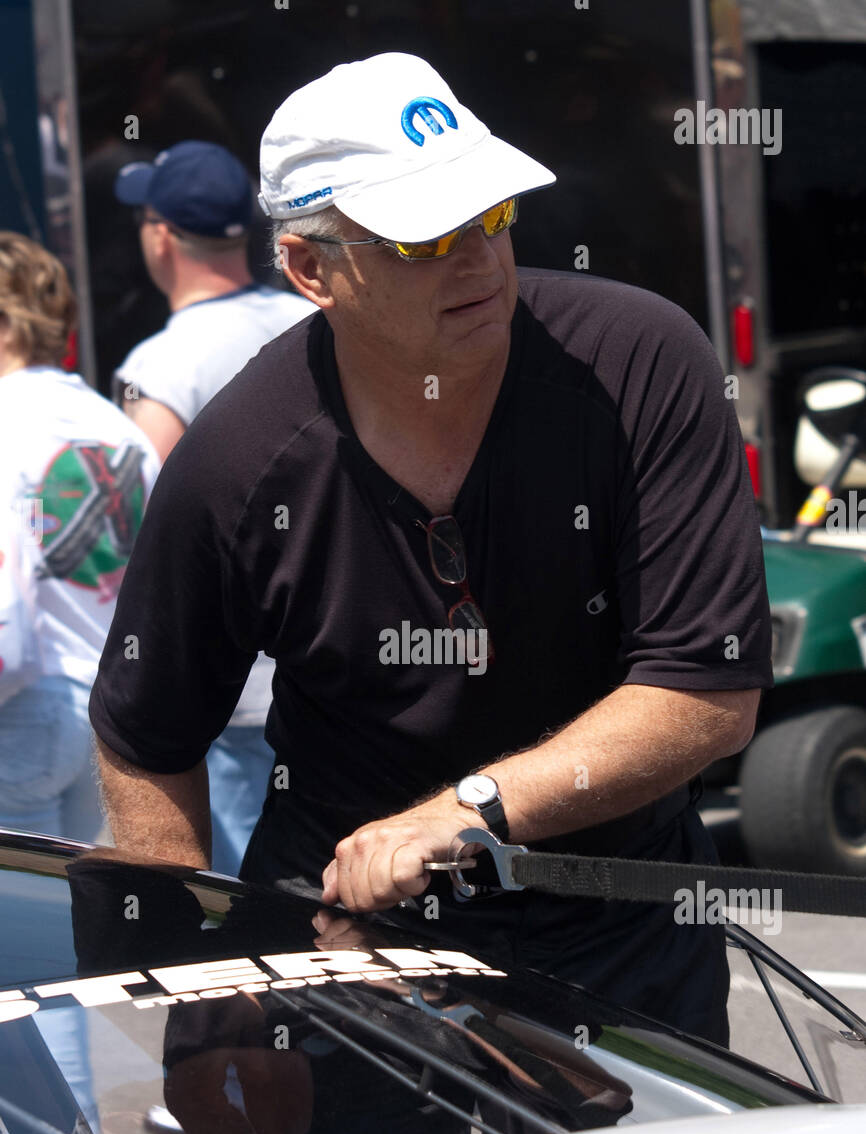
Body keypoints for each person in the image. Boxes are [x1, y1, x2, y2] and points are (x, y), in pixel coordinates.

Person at [89, 53, 773, 1046]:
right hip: (353, 959)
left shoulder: (642, 363)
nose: (479, 260)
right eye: (427, 238)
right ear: (311, 269)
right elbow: (145, 739)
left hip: (623, 941)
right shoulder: (238, 459)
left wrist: (468, 809)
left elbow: (705, 692)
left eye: (490, 216)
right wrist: (205, 1018)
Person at [111, 140, 315, 873]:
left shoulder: (162, 365)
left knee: (250, 919)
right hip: (335, 672)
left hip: (236, 692)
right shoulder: (314, 315)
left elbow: (146, 528)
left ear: (160, 235)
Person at [0, 231, 159, 842]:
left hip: (25, 702)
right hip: (112, 712)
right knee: (78, 914)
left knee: (16, 918)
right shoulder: (118, 428)